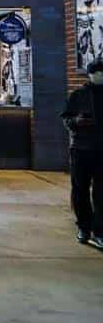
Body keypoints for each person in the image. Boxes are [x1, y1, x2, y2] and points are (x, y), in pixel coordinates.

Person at [61, 58, 103, 249]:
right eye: (96, 72)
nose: (99, 76)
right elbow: (66, 118)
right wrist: (76, 122)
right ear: (90, 74)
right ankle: (84, 227)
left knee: (101, 192)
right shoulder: (79, 94)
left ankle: (100, 231)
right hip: (81, 148)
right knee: (80, 189)